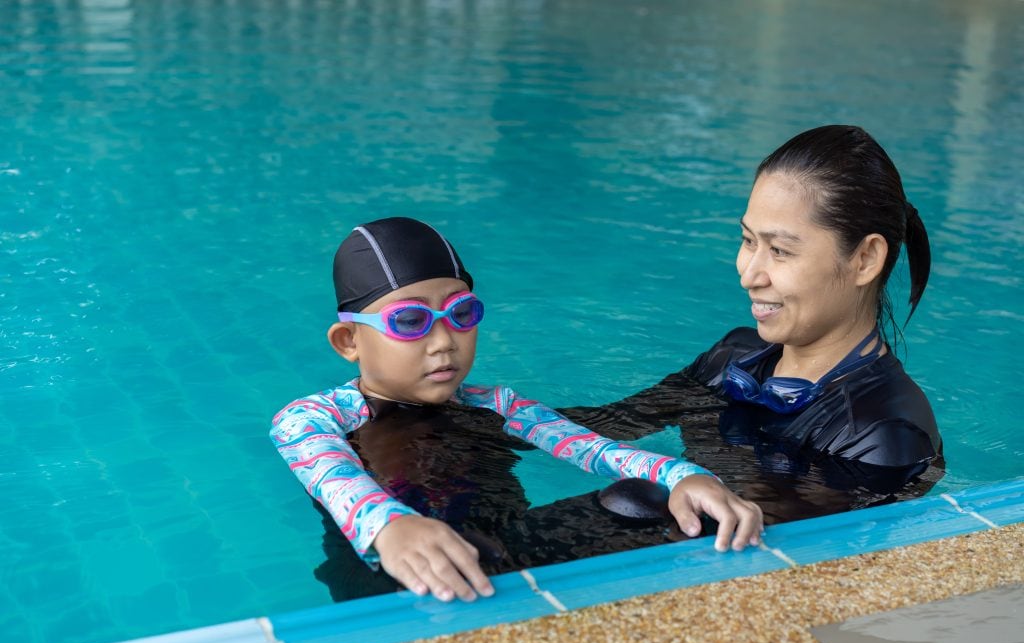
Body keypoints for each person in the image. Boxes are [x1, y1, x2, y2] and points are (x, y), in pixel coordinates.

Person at [269, 217, 763, 604]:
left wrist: (683, 476)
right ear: (349, 340)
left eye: (461, 314)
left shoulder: (498, 404)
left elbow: (594, 450)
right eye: (412, 320)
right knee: (457, 565)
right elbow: (334, 478)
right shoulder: (311, 419)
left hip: (508, 548)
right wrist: (389, 528)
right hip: (389, 573)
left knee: (648, 502)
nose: (444, 343)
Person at [561, 125, 944, 523]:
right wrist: (499, 410)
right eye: (748, 241)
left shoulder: (882, 435)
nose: (748, 274)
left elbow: (785, 558)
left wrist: (685, 481)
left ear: (864, 259)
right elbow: (605, 426)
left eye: (779, 250)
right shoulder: (733, 357)